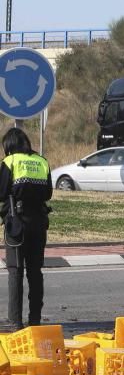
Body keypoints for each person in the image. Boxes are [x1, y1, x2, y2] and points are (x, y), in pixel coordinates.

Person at [0, 127, 52, 329]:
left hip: (17, 222)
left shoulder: (10, 162)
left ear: (9, 146)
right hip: (39, 222)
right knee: (34, 272)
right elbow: (48, 193)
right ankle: (35, 320)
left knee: (15, 271)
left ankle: (15, 321)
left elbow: (2, 193)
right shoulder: (42, 161)